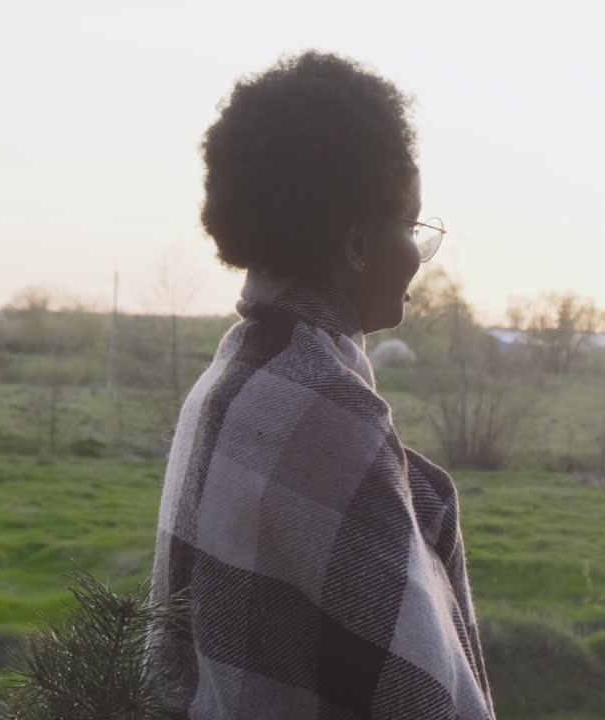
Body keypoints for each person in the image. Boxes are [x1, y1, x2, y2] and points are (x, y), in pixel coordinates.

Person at [150, 51, 496, 719]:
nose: (419, 255)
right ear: (358, 244)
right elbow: (423, 700)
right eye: (412, 226)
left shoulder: (230, 379)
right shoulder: (325, 417)